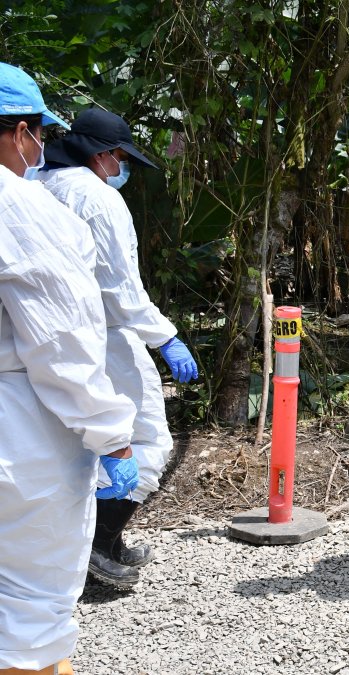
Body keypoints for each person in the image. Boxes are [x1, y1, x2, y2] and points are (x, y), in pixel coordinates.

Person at [0, 62, 138, 675]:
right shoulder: (21, 207)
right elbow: (63, 340)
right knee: (31, 607)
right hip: (20, 429)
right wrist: (111, 434)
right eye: (36, 134)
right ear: (19, 132)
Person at [37, 108, 198, 588]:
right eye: (121, 159)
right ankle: (99, 546)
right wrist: (165, 337)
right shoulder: (97, 198)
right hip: (104, 335)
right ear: (104, 155)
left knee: (70, 446)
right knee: (145, 439)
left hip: (43, 337)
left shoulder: (38, 184)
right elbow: (119, 288)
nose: (122, 168)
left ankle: (87, 546)